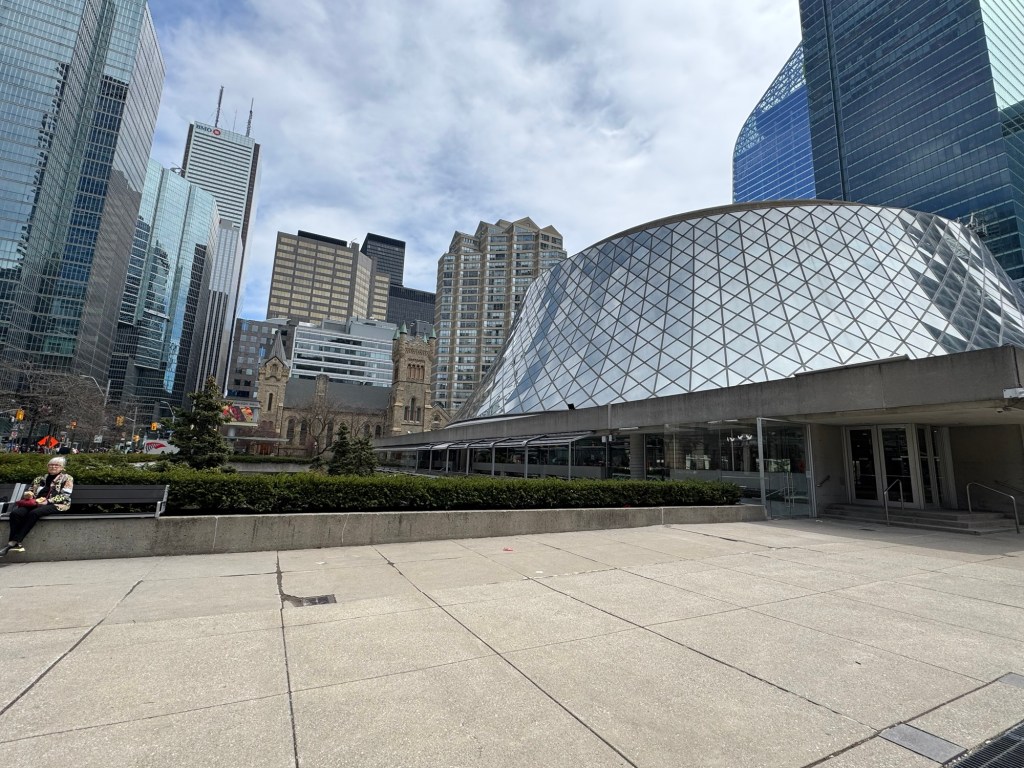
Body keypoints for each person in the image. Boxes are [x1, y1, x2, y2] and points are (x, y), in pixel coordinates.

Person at [1, 456, 73, 556]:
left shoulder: (67, 478)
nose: (53, 467)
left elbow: (65, 495)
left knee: (34, 513)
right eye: (51, 465)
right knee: (15, 513)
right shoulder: (40, 478)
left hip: (57, 504)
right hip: (35, 503)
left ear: (62, 468)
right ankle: (16, 543)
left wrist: (48, 501)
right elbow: (31, 490)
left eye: (56, 465)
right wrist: (28, 494)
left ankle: (13, 542)